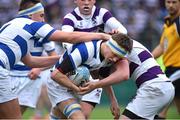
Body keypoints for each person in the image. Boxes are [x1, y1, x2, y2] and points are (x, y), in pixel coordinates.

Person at [0, 0, 110, 118]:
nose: (43, 20)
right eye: (41, 15)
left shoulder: (10, 25)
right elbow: (69, 37)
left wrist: (66, 58)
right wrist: (101, 35)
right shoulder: (33, 25)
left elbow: (30, 61)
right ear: (31, 15)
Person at [80, 33, 175, 120]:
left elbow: (124, 74)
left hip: (153, 88)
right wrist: (113, 100)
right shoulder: (123, 47)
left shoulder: (121, 49)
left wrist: (95, 85)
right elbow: (102, 75)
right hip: (164, 87)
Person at [60, 0, 127, 119]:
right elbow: (66, 42)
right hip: (72, 72)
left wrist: (113, 99)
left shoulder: (102, 13)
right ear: (75, 1)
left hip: (93, 78)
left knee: (83, 116)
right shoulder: (70, 18)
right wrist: (97, 39)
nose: (86, 2)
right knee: (64, 116)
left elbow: (123, 32)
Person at [47, 33, 130, 119]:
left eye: (118, 57)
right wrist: (76, 88)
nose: (115, 59)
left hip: (77, 83)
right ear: (109, 46)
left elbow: (103, 78)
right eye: (115, 54)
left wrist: (113, 100)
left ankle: (56, 112)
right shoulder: (85, 51)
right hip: (58, 85)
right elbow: (55, 74)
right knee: (79, 118)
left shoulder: (108, 58)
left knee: (67, 116)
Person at [152, 0, 180, 119]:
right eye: (168, 2)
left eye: (174, 2)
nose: (171, 5)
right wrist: (147, 58)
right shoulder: (168, 22)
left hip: (178, 70)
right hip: (170, 68)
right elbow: (163, 46)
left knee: (160, 107)